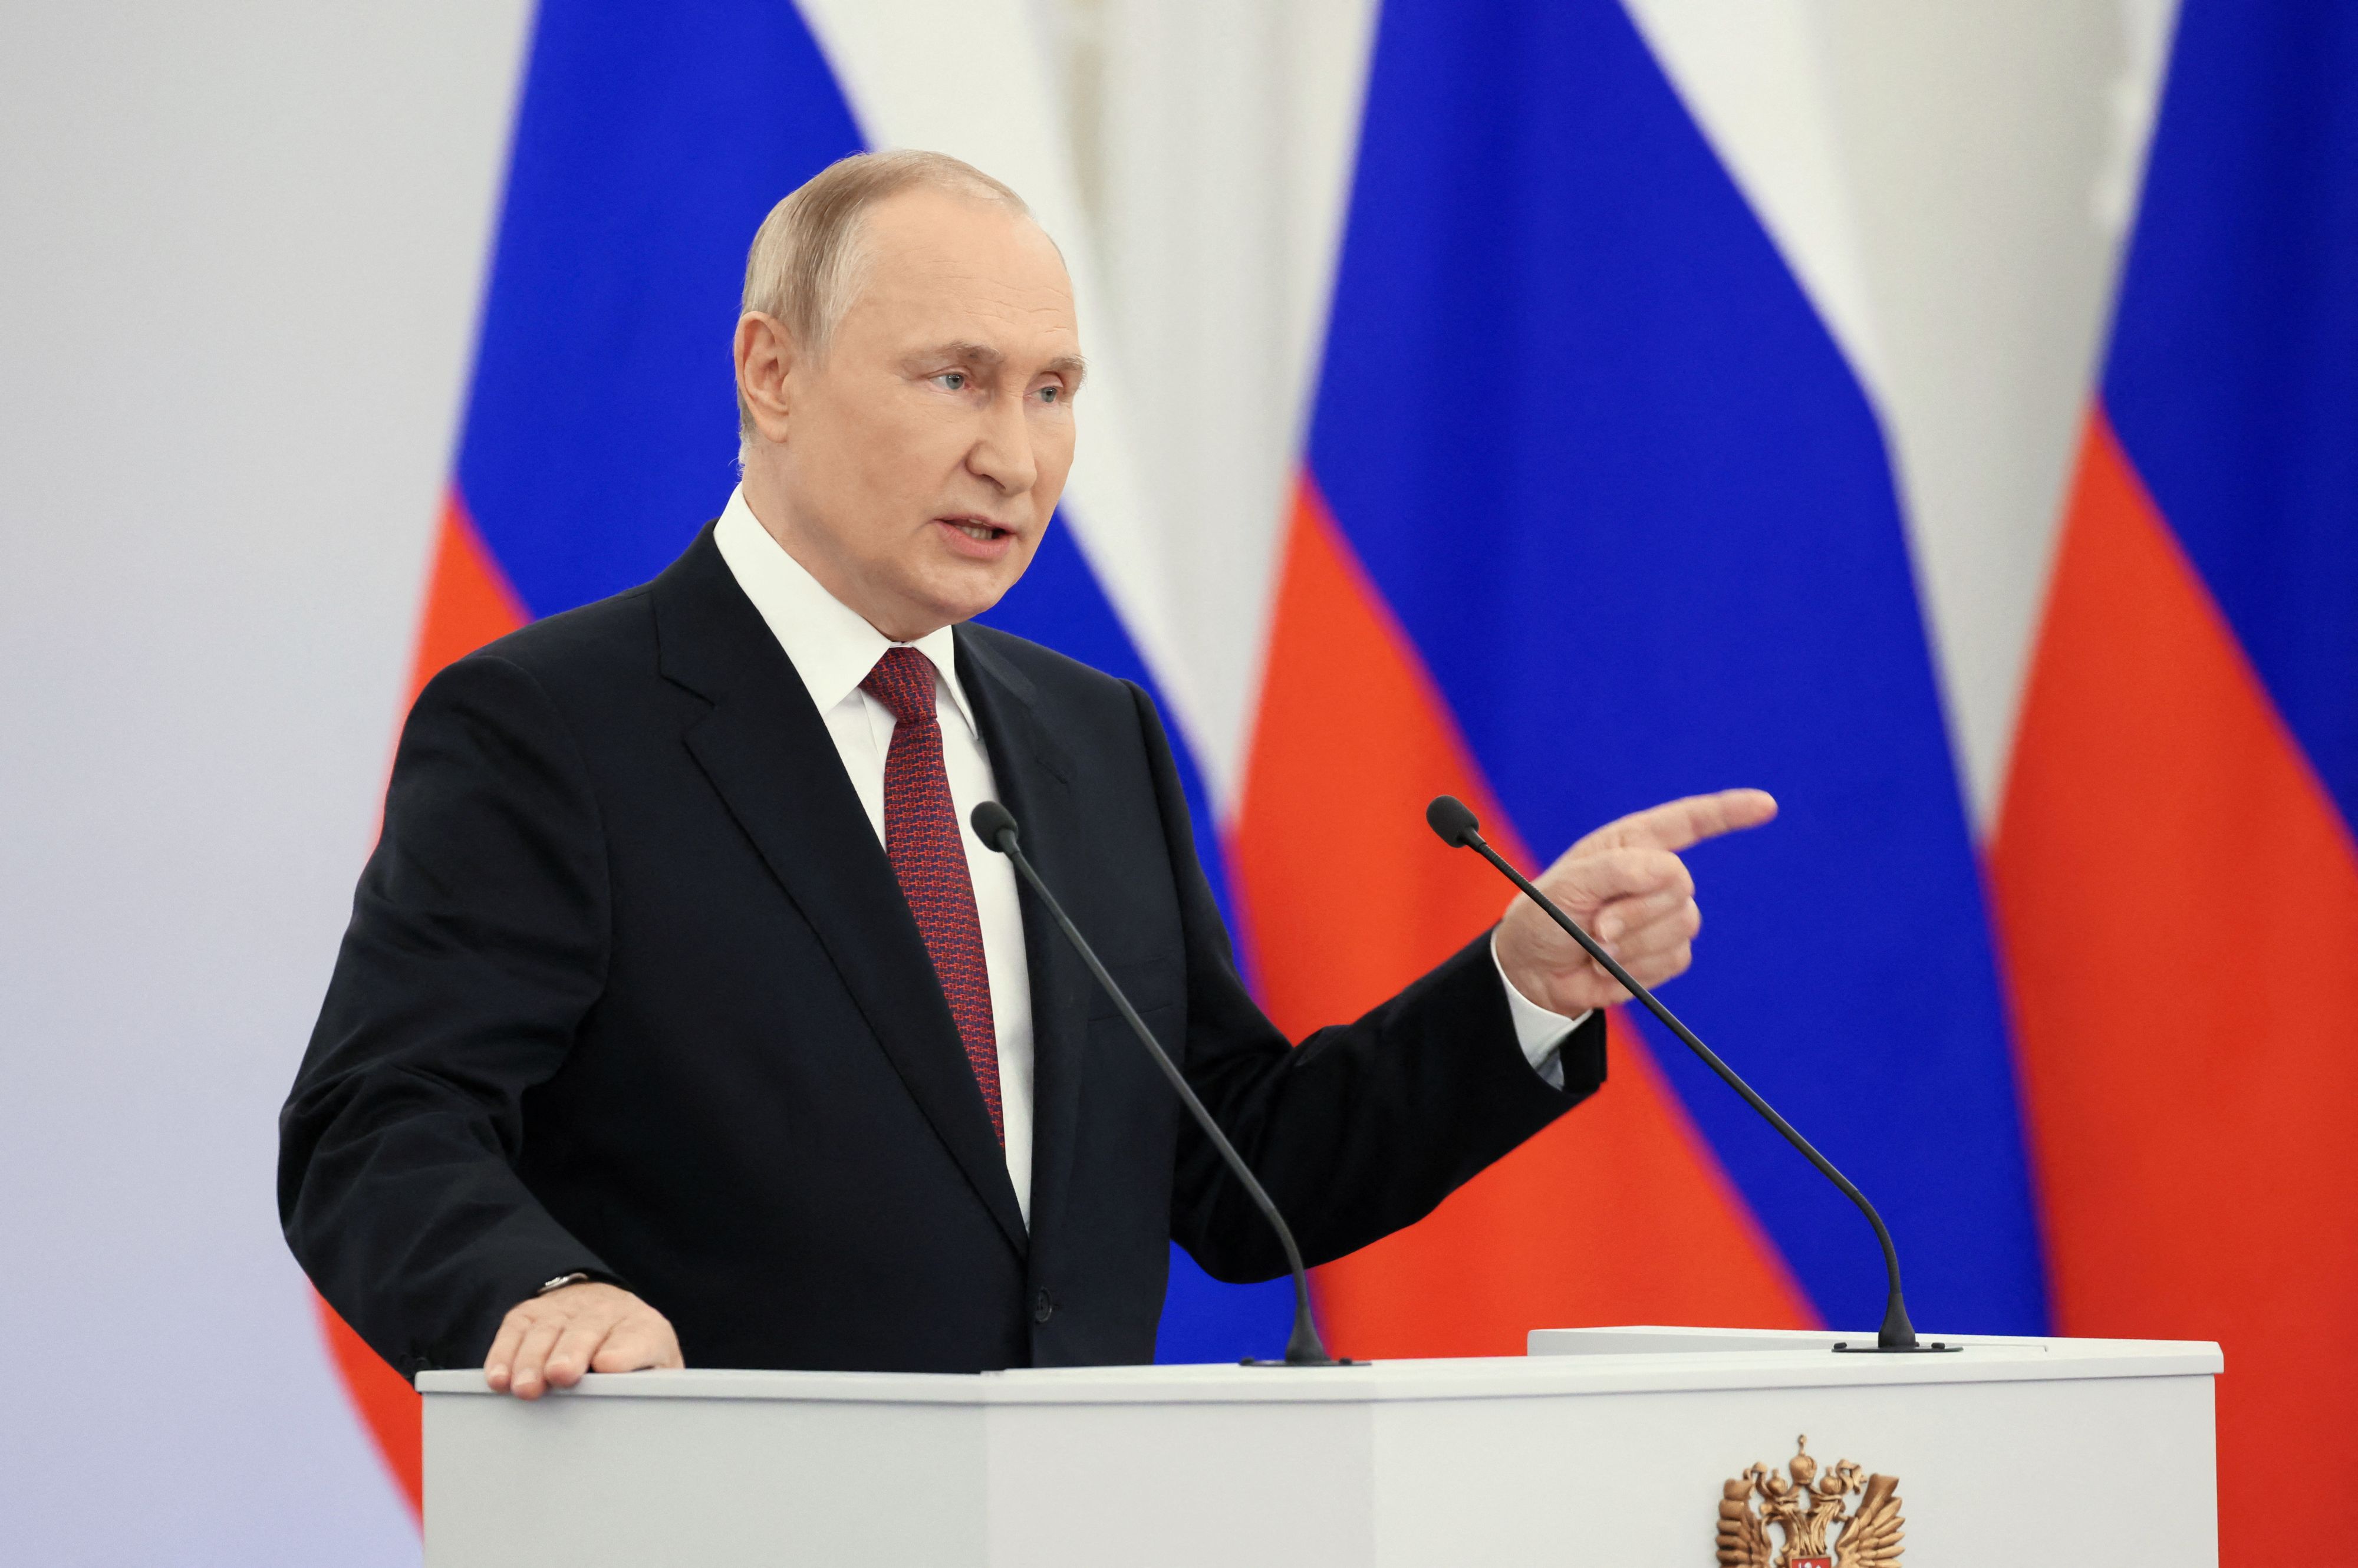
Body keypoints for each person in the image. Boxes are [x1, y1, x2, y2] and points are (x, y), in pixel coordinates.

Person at [279, 150, 1774, 1401]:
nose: (1016, 455)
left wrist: (1520, 983)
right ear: (771, 373)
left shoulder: (1088, 735)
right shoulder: (554, 725)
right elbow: (377, 1124)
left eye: (1052, 392)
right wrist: (540, 1290)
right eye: (956, 380)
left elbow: (1238, 1166)